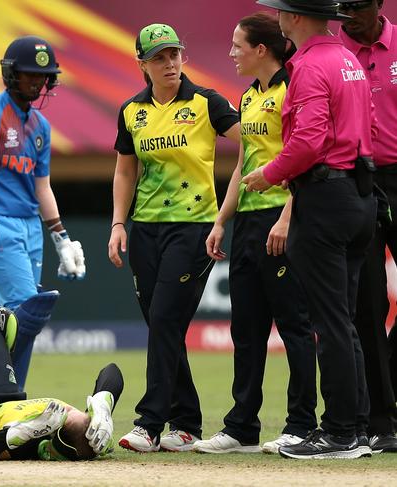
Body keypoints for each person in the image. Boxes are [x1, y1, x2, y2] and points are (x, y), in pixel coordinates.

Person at [243, 0, 377, 459]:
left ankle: (339, 432)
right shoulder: (345, 58)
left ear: (293, 18)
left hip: (324, 199)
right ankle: (356, 427)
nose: (277, 16)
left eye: (281, 10)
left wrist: (269, 174)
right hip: (360, 193)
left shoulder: (310, 65)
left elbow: (308, 139)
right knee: (347, 320)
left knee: (330, 321)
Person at [109, 23, 240, 453]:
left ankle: (149, 423)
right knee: (161, 324)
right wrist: (117, 224)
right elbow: (126, 170)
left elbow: (252, 144)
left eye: (175, 54)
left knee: (165, 319)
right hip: (145, 230)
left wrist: (229, 210)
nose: (170, 63)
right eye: (160, 57)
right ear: (143, 64)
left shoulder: (207, 103)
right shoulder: (132, 111)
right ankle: (186, 424)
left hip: (195, 228)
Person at [194, 12, 317, 455]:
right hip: (246, 224)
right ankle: (241, 427)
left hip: (282, 222)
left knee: (294, 326)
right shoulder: (248, 97)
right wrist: (221, 221)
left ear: (261, 50)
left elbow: (305, 161)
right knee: (245, 330)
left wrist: (287, 217)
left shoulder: (293, 89)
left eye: (237, 46)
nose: (230, 53)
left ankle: (302, 425)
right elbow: (244, 166)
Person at [0, 35, 85, 391]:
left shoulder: (40, 127)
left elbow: (42, 188)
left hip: (29, 226)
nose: (37, 82)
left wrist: (62, 240)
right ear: (11, 74)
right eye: (29, 74)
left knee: (3, 317)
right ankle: (8, 393)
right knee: (28, 306)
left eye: (43, 76)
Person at [0, 306, 123, 461]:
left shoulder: (34, 440)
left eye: (72, 418)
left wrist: (18, 433)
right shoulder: (90, 429)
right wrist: (102, 406)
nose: (70, 411)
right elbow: (112, 371)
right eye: (81, 414)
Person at [337, 0, 397, 453]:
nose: (348, 15)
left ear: (379, 4)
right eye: (341, 6)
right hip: (356, 179)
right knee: (368, 304)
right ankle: (381, 421)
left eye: (357, 5)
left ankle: (388, 378)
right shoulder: (331, 52)